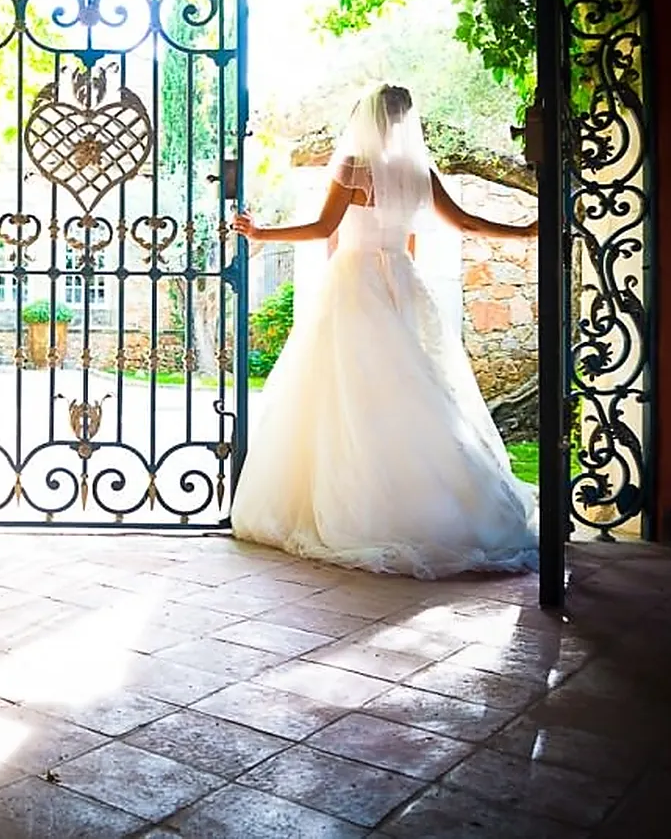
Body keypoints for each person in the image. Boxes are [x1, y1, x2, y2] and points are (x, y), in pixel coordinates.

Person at [228, 84, 539, 579]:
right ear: (404, 121)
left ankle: (364, 506)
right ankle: (429, 502)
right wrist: (523, 231)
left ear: (366, 119)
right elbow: (467, 222)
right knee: (413, 392)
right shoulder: (420, 172)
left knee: (349, 394)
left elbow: (320, 227)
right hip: (403, 281)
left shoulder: (355, 166)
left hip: (355, 285)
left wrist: (263, 233)